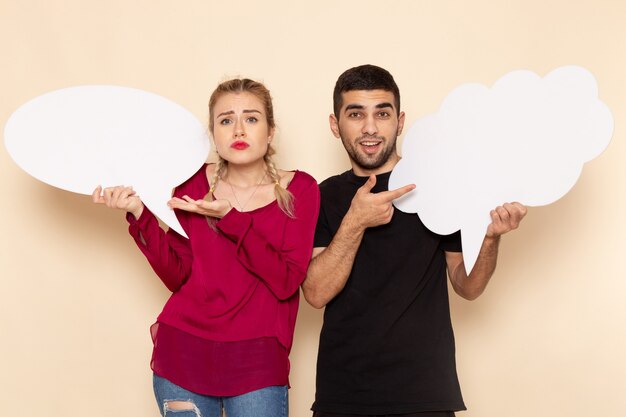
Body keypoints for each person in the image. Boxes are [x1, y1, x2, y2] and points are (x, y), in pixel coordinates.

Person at [302, 64, 527, 417]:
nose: (370, 127)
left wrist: (489, 239)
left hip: (425, 394)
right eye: (356, 114)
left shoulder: (437, 186)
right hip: (343, 394)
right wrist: (355, 222)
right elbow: (315, 293)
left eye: (383, 113)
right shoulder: (322, 195)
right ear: (335, 124)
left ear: (400, 121)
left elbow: (467, 287)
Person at [93, 78, 320, 417]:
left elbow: (287, 280)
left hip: (258, 361)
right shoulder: (191, 184)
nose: (239, 130)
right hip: (183, 356)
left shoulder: (300, 189)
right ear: (213, 134)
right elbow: (178, 275)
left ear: (271, 131)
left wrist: (231, 218)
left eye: (252, 118)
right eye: (226, 120)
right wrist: (140, 214)